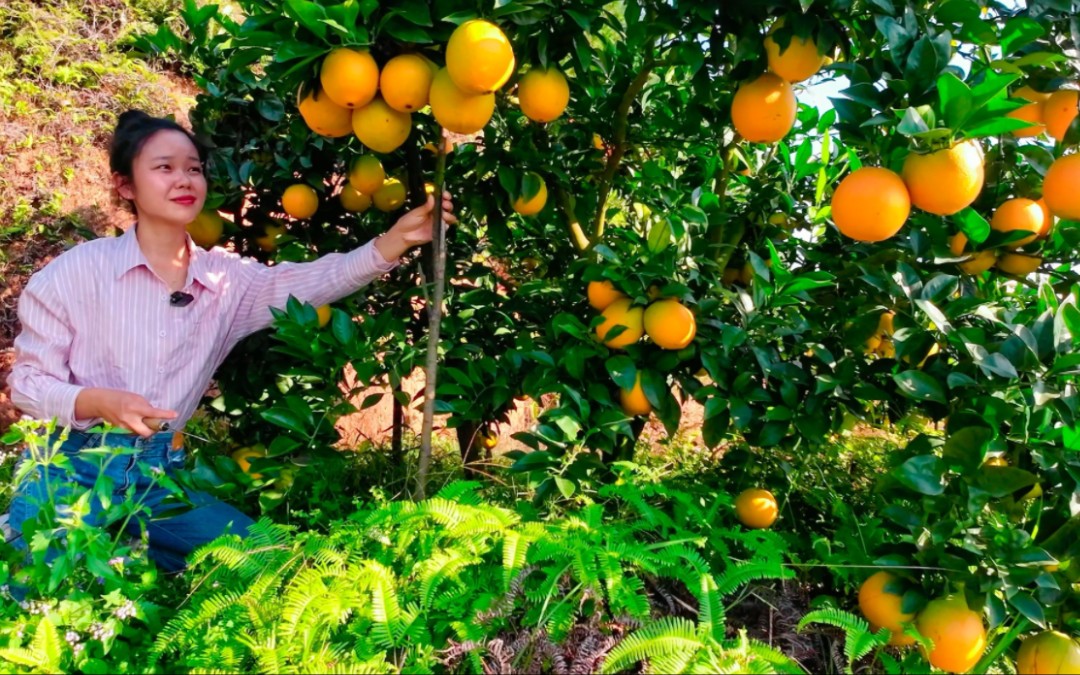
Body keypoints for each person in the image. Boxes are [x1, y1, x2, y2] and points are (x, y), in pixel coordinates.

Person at [5, 110, 456, 572]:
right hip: (70, 468)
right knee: (26, 594)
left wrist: (391, 242)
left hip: (159, 475)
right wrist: (96, 401)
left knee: (272, 564)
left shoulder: (225, 281)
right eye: (164, 168)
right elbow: (28, 386)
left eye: (193, 168)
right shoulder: (73, 275)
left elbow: (308, 283)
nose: (184, 179)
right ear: (125, 186)